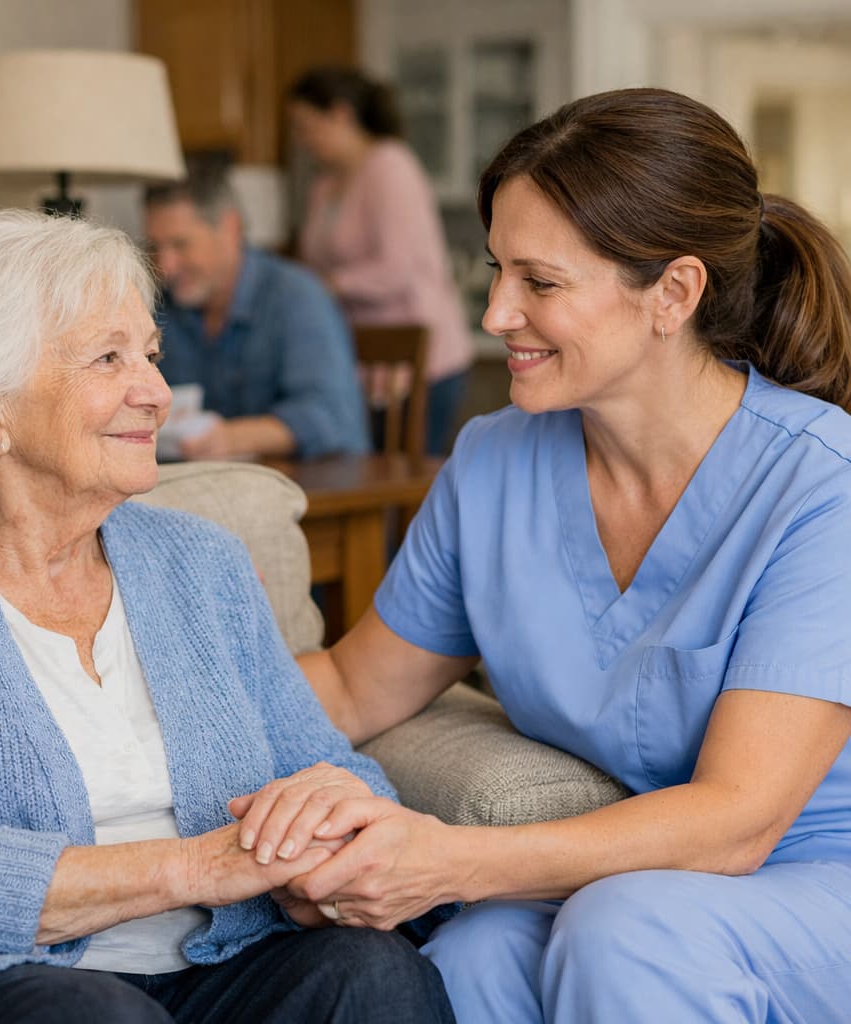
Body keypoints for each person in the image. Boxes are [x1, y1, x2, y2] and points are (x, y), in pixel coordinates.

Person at [232, 88, 851, 1022]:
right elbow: (356, 688)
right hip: (632, 879)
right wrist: (141, 731)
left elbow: (738, 821)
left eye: (539, 282)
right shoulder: (492, 463)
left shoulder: (821, 488)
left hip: (808, 877)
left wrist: (449, 861)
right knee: (473, 957)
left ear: (674, 294)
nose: (493, 315)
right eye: (495, 272)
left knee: (624, 931)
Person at [0, 209, 455, 1024]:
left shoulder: (203, 563)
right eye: (109, 358)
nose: (156, 393)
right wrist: (196, 867)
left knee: (375, 975)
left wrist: (329, 839)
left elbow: (336, 770)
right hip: (4, 984)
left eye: (152, 355)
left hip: (224, 971)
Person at [288, 66, 475, 456]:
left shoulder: (390, 166)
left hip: (420, 358)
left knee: (411, 481)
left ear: (340, 115)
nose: (301, 139)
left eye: (306, 126)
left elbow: (399, 269)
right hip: (362, 359)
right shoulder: (324, 183)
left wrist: (329, 285)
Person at [144, 168, 369, 461]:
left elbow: (330, 415)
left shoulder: (296, 297)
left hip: (312, 486)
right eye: (154, 247)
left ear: (230, 228)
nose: (166, 265)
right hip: (210, 488)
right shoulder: (163, 306)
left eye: (180, 245)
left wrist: (229, 438)